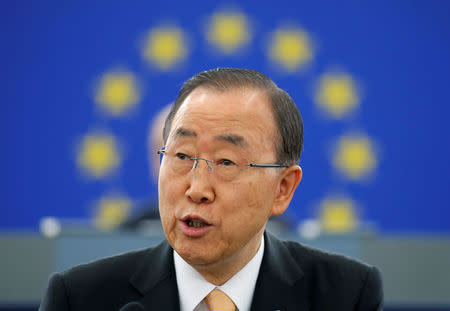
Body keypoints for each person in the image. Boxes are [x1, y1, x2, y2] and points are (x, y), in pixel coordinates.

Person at [40, 68, 383, 311]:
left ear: (282, 188)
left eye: (226, 162)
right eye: (182, 155)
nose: (197, 189)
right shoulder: (79, 298)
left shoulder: (345, 294)